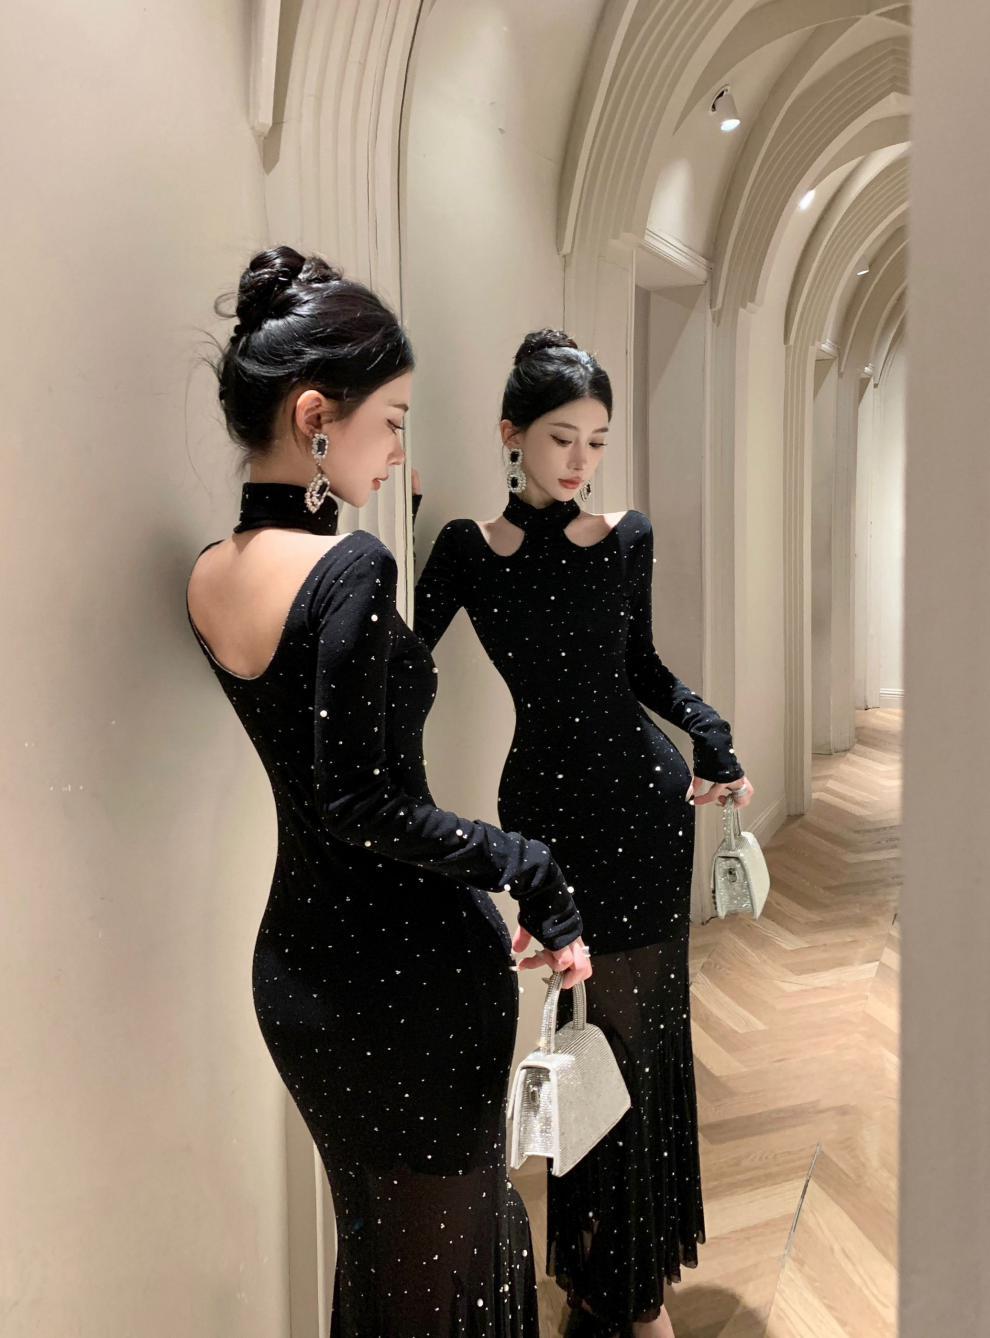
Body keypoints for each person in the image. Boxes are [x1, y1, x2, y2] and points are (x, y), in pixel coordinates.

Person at [185, 253, 591, 1337]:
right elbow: (365, 804)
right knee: (440, 1276)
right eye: (394, 421)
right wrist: (530, 865)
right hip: (410, 982)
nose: (401, 449)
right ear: (316, 417)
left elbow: (327, 785)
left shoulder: (212, 572)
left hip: (303, 977)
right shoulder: (351, 571)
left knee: (383, 1265)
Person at [412, 330, 754, 1338]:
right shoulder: (467, 552)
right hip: (549, 826)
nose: (580, 461)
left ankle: (634, 1294)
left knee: (641, 1043)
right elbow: (401, 660)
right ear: (511, 434)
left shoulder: (628, 537)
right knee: (580, 1043)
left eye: (597, 441)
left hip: (644, 810)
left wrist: (711, 735)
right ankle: (606, 1272)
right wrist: (398, 516)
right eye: (563, 437)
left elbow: (641, 669)